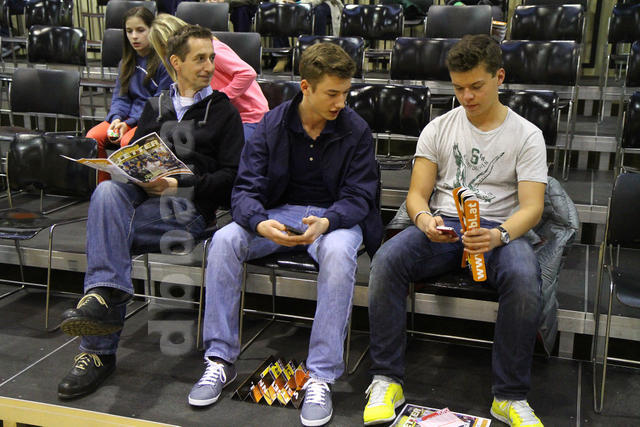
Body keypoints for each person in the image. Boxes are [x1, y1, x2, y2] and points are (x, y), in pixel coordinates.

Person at [192, 43, 382, 426]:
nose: (341, 102)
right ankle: (220, 359)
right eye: (332, 93)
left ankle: (321, 375)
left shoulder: (356, 129)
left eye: (345, 93)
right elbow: (245, 188)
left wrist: (328, 221)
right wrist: (258, 222)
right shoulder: (272, 124)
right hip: (279, 213)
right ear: (306, 87)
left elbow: (361, 195)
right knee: (225, 240)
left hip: (334, 217)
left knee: (338, 253)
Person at [363, 34, 547, 427]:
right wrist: (424, 220)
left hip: (500, 229)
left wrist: (498, 236)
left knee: (524, 278)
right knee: (387, 261)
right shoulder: (438, 128)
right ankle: (386, 379)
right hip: (445, 222)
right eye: (459, 87)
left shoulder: (527, 135)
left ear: (499, 77)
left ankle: (509, 396)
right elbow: (417, 195)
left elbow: (532, 208)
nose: (467, 96)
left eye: (476, 86)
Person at [56, 25, 245, 400]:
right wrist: (133, 172)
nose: (210, 66)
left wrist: (180, 184)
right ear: (176, 62)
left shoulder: (224, 112)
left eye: (211, 58)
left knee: (110, 235)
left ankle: (97, 346)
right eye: (200, 58)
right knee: (107, 189)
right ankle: (105, 297)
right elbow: (139, 155)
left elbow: (232, 179)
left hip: (189, 209)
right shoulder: (156, 104)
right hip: (144, 199)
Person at [149, 14, 269, 143]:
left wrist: (221, 97)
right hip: (220, 115)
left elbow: (247, 73)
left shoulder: (213, 49)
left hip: (250, 117)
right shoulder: (182, 63)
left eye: (164, 45)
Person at [87, 6, 173, 183]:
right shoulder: (125, 62)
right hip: (127, 118)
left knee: (128, 143)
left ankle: (136, 188)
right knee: (93, 138)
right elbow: (121, 97)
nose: (134, 36)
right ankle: (102, 186)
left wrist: (129, 123)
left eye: (140, 30)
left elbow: (158, 104)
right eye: (129, 31)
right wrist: (116, 118)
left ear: (152, 30)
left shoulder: (164, 63)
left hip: (150, 119)